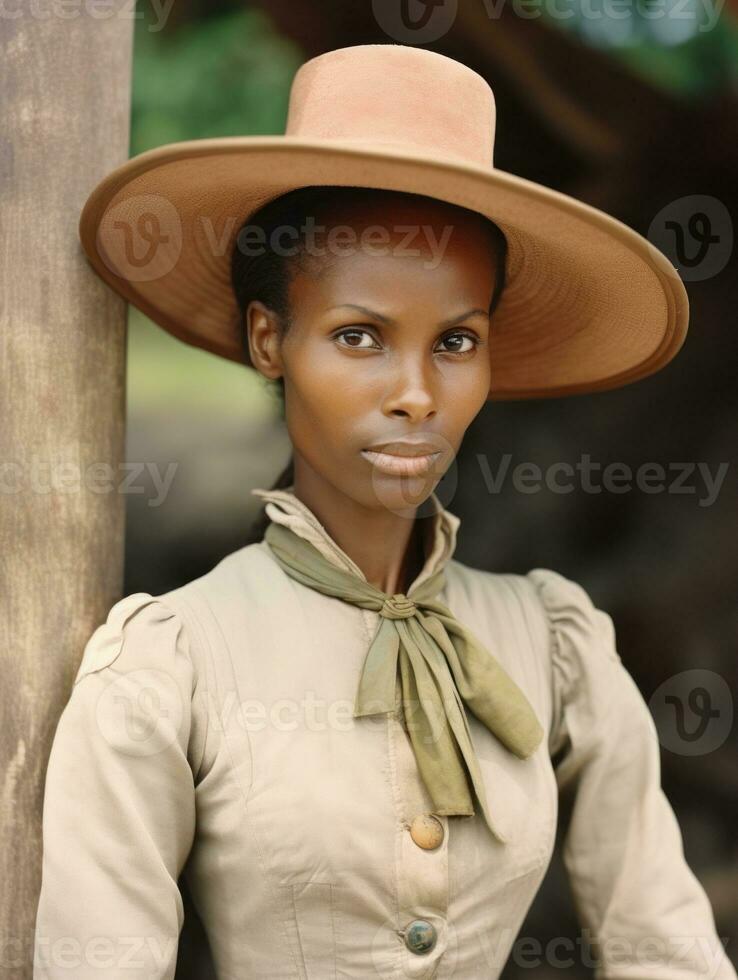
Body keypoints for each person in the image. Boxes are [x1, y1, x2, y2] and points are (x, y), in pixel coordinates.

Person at [34, 44, 735, 979]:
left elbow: (669, 954)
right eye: (359, 336)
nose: (415, 393)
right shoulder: (169, 665)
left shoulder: (558, 647)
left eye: (455, 340)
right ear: (268, 339)